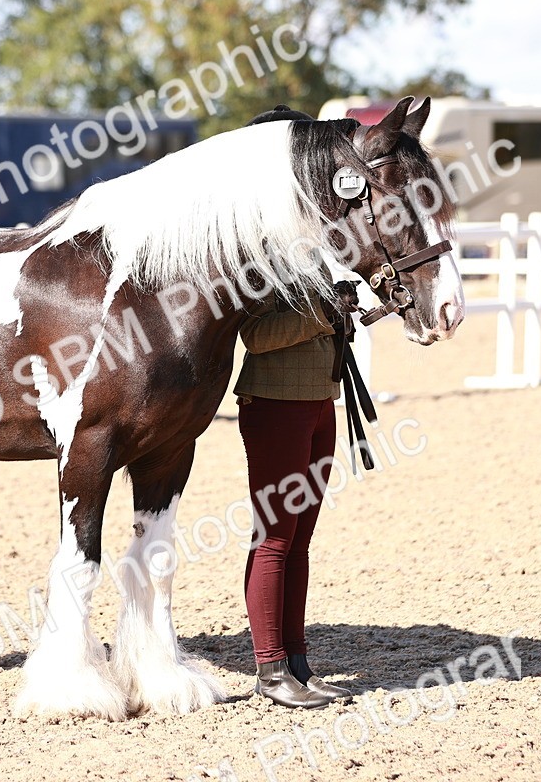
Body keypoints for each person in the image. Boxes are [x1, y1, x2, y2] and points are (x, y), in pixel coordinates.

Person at [236, 105, 354, 709]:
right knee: (276, 537)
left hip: (317, 400)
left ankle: (298, 662)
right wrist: (325, 311)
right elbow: (255, 336)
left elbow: (325, 321)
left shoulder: (309, 237)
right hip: (276, 401)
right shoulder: (260, 245)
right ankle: (270, 668)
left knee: (299, 538)